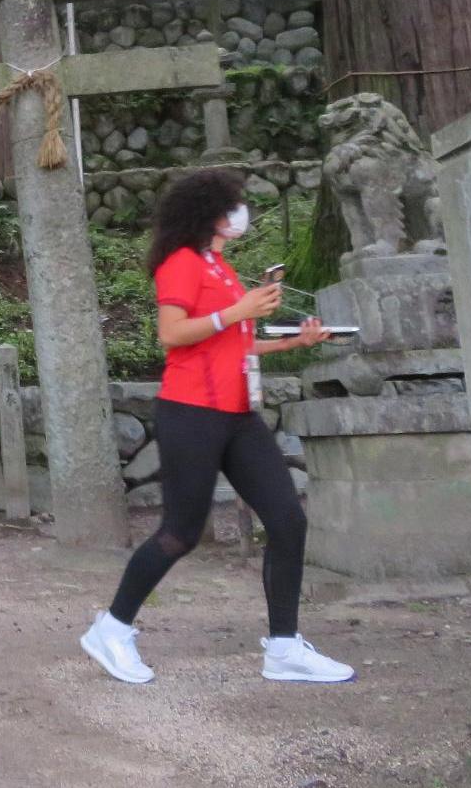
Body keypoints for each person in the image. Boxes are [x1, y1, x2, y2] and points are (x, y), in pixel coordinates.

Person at [79, 169, 353, 686]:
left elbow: (233, 344)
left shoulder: (219, 266)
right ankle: (111, 629)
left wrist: (294, 342)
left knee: (288, 519)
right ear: (209, 213)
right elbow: (172, 333)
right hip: (191, 413)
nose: (240, 213)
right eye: (232, 206)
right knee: (180, 533)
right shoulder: (180, 264)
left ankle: (285, 646)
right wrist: (238, 310)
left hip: (238, 414)